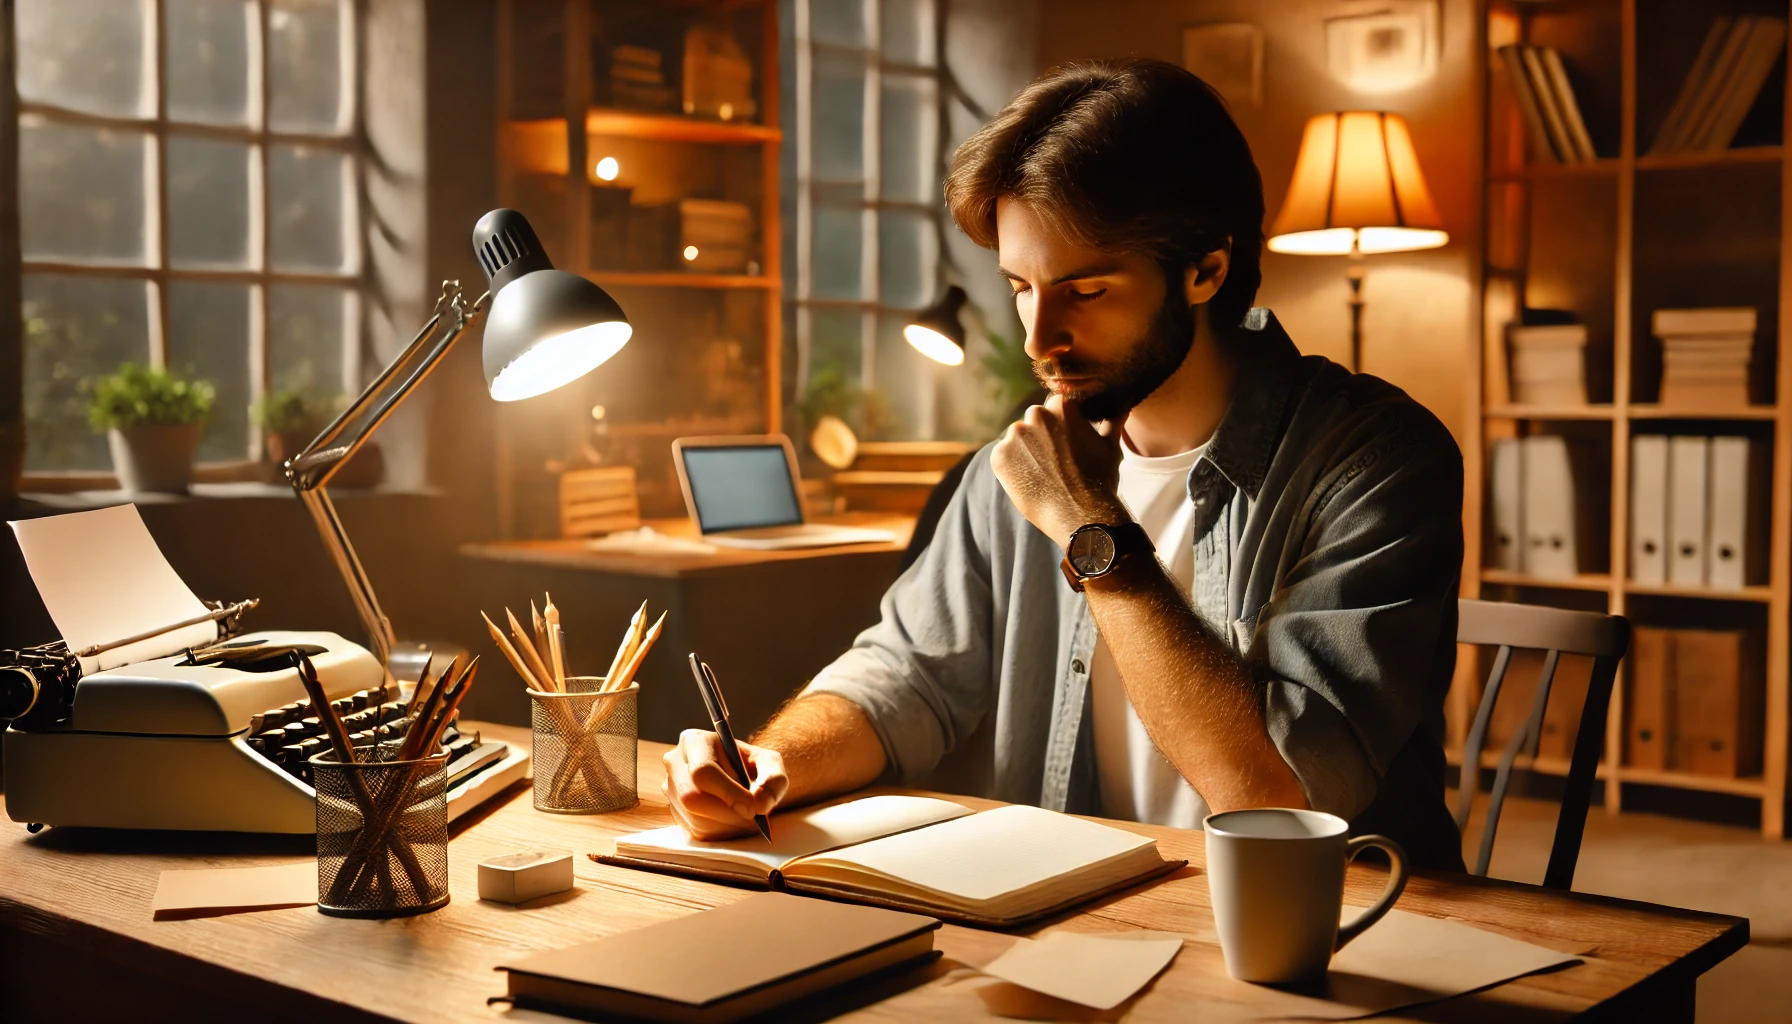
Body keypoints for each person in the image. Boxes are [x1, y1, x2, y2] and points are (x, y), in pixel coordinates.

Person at [664, 58, 1466, 870]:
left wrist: (1092, 527)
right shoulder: (1012, 471)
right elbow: (904, 675)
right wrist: (770, 763)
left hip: (1334, 937)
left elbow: (1277, 799)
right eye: (1020, 286)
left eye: (1084, 292)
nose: (1037, 340)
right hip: (1080, 921)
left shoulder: (1376, 463)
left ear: (1205, 270)